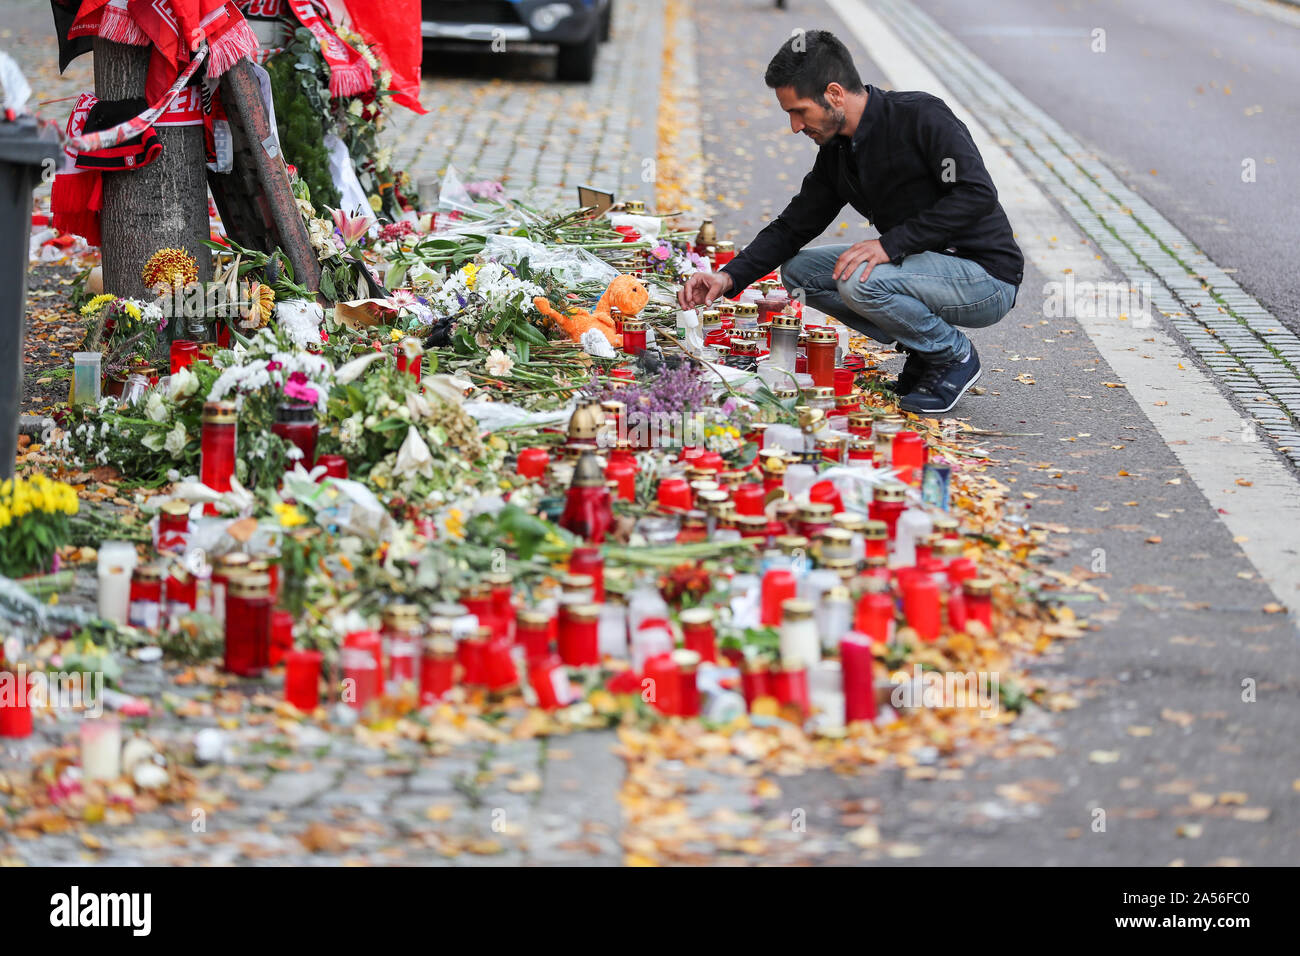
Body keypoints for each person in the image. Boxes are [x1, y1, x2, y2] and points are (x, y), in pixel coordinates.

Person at [678, 30, 1024, 415]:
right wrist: (729, 277)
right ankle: (924, 348)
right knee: (800, 273)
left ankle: (952, 355)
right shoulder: (838, 150)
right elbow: (794, 225)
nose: (795, 126)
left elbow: (975, 194)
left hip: (985, 277)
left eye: (799, 111)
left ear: (834, 94)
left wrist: (889, 246)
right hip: (922, 272)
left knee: (856, 278)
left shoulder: (921, 116)